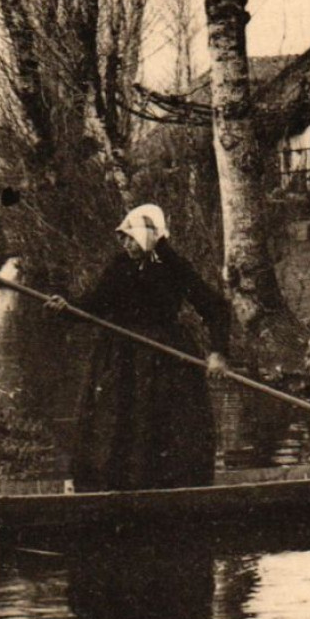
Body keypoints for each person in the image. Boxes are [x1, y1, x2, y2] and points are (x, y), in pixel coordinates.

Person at [48, 204, 230, 491]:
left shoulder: (174, 266)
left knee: (165, 424)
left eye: (131, 238)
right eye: (124, 238)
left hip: (165, 357)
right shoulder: (120, 265)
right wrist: (67, 307)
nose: (125, 244)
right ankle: (115, 485)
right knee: (114, 421)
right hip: (120, 356)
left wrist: (218, 353)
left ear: (149, 236)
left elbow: (215, 308)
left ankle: (166, 488)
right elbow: (96, 303)